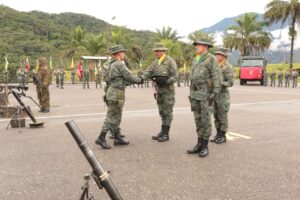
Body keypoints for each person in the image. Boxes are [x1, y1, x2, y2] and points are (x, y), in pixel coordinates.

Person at [95, 44, 143, 149]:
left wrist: (136, 81)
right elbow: (129, 76)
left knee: (117, 116)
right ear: (118, 53)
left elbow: (121, 80)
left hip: (115, 92)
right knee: (111, 117)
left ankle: (117, 137)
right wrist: (140, 80)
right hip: (116, 94)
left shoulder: (111, 64)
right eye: (123, 52)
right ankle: (101, 138)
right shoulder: (119, 64)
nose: (124, 54)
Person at [187, 38, 220, 157]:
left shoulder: (211, 59)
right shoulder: (195, 59)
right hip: (195, 95)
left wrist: (215, 93)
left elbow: (216, 77)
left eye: (198, 45)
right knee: (198, 120)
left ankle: (205, 146)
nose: (196, 47)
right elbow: (192, 78)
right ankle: (199, 144)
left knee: (205, 120)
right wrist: (190, 94)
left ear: (205, 47)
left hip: (206, 95)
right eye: (196, 45)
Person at [142, 43, 178, 142]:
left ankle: (166, 133)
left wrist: (166, 81)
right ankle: (162, 131)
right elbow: (148, 72)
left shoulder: (170, 61)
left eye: (158, 51)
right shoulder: (155, 62)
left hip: (168, 91)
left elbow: (175, 76)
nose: (156, 53)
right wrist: (140, 78)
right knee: (161, 112)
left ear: (163, 51)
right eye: (155, 51)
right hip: (159, 91)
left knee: (168, 112)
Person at [210, 47, 234, 144]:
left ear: (224, 56)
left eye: (219, 55)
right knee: (216, 115)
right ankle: (218, 134)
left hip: (222, 95)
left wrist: (219, 83)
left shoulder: (228, 67)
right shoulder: (215, 66)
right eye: (216, 54)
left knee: (222, 115)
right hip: (215, 94)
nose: (217, 56)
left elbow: (230, 82)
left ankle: (223, 135)